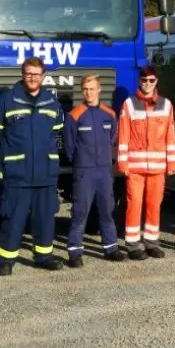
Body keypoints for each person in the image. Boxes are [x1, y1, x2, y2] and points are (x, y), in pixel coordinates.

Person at [0, 56, 65, 275]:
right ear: (22, 75)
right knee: (13, 217)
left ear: (43, 76)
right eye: (29, 74)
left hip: (45, 172)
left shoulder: (51, 100)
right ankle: (6, 260)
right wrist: (10, 150)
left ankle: (44, 256)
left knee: (45, 216)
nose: (32, 78)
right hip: (17, 172)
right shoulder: (7, 99)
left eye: (37, 74)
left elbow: (57, 128)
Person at [63, 74, 126, 266]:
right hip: (84, 171)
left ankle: (111, 248)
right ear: (82, 91)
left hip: (104, 171)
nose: (89, 92)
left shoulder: (110, 114)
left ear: (99, 89)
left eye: (92, 89)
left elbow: (113, 138)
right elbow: (69, 146)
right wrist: (82, 161)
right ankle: (75, 252)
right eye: (86, 89)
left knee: (107, 210)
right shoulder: (74, 115)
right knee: (80, 212)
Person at [116, 66, 175, 260]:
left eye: (151, 80)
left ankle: (151, 242)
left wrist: (172, 162)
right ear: (139, 81)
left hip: (158, 167)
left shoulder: (166, 105)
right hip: (135, 166)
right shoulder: (129, 104)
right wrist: (122, 162)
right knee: (134, 205)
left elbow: (170, 135)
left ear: (156, 81)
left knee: (154, 205)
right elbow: (123, 135)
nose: (148, 84)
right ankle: (133, 244)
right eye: (144, 80)